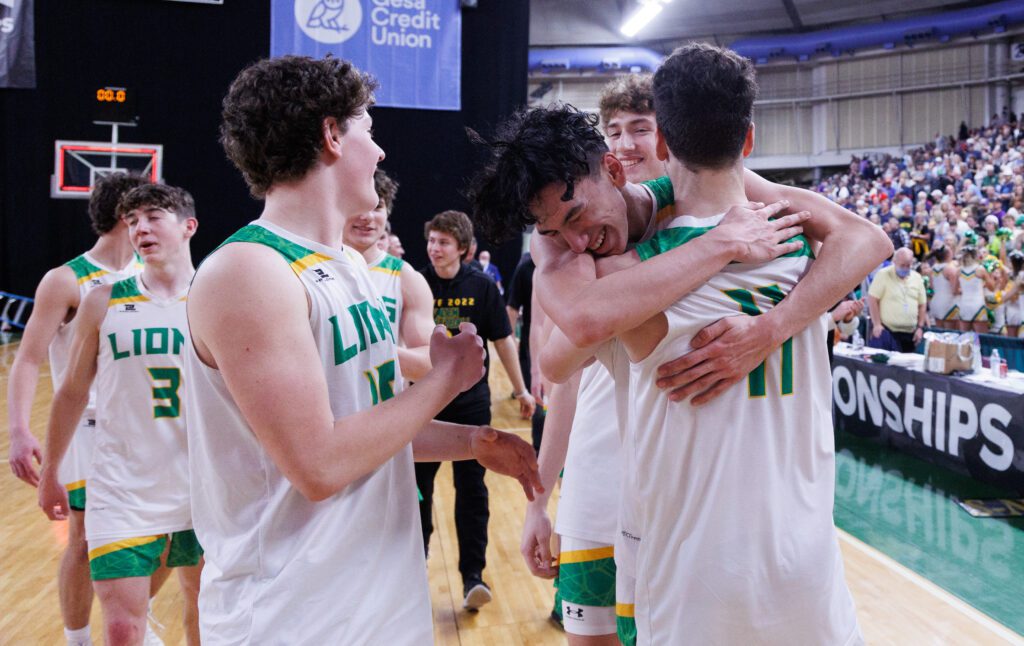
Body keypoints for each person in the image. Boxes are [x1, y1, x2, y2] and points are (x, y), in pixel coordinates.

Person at [184, 55, 541, 643]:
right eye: (368, 131)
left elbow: (365, 429)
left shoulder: (349, 266)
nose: (378, 152)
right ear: (331, 135)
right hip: (293, 615)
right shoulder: (248, 271)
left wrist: (472, 440)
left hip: (379, 601)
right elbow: (320, 464)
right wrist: (442, 383)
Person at [590, 41, 861, 645]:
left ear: (661, 144)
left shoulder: (630, 277)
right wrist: (773, 327)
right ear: (749, 140)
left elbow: (560, 348)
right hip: (805, 562)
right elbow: (867, 238)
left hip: (697, 576)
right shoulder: (808, 246)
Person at [37, 183, 204, 646]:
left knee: (205, 614)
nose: (140, 228)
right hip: (121, 488)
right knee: (121, 631)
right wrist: (53, 469)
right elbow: (71, 392)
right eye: (132, 221)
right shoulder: (103, 301)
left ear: (189, 226)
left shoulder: (215, 298)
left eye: (153, 216)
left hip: (202, 485)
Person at [5, 172, 155, 646]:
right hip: (88, 429)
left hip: (146, 429)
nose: (152, 222)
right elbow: (27, 358)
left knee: (165, 541)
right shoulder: (67, 279)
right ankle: (79, 639)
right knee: (87, 537)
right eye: (143, 213)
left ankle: (134, 619)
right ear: (123, 215)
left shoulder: (152, 276)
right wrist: (19, 429)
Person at [417, 209, 537, 609]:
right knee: (418, 491)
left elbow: (503, 341)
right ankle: (415, 568)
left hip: (471, 408)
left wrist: (521, 390)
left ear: (464, 248)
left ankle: (473, 577)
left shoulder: (483, 287)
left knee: (472, 492)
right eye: (432, 240)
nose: (435, 248)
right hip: (424, 409)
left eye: (444, 242)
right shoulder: (416, 283)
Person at [342, 168, 435, 381]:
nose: (367, 217)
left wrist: (366, 351)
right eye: (357, 205)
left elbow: (429, 362)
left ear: (387, 212)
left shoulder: (405, 277)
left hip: (385, 408)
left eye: (376, 207)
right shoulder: (311, 268)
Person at [504, 252, 546, 452]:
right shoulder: (527, 268)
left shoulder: (575, 259)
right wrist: (512, 339)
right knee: (539, 401)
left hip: (567, 345)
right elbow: (512, 308)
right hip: (533, 344)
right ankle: (538, 451)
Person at [867, 247, 928, 352]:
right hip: (887, 331)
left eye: (908, 265)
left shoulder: (917, 277)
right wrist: (877, 324)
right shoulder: (883, 274)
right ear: (894, 262)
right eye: (902, 265)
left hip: (910, 334)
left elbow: (922, 304)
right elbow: (872, 299)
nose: (905, 268)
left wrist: (920, 327)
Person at [955, 245, 995, 333]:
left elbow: (955, 290)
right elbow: (992, 288)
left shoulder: (958, 271)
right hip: (978, 305)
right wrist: (990, 273)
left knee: (964, 339)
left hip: (964, 305)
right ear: (975, 256)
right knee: (982, 338)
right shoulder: (980, 269)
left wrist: (966, 290)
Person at [926, 245, 960, 329]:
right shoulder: (950, 269)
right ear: (949, 254)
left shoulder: (932, 269)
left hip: (936, 303)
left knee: (939, 333)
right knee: (951, 334)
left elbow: (932, 287)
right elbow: (954, 290)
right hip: (948, 304)